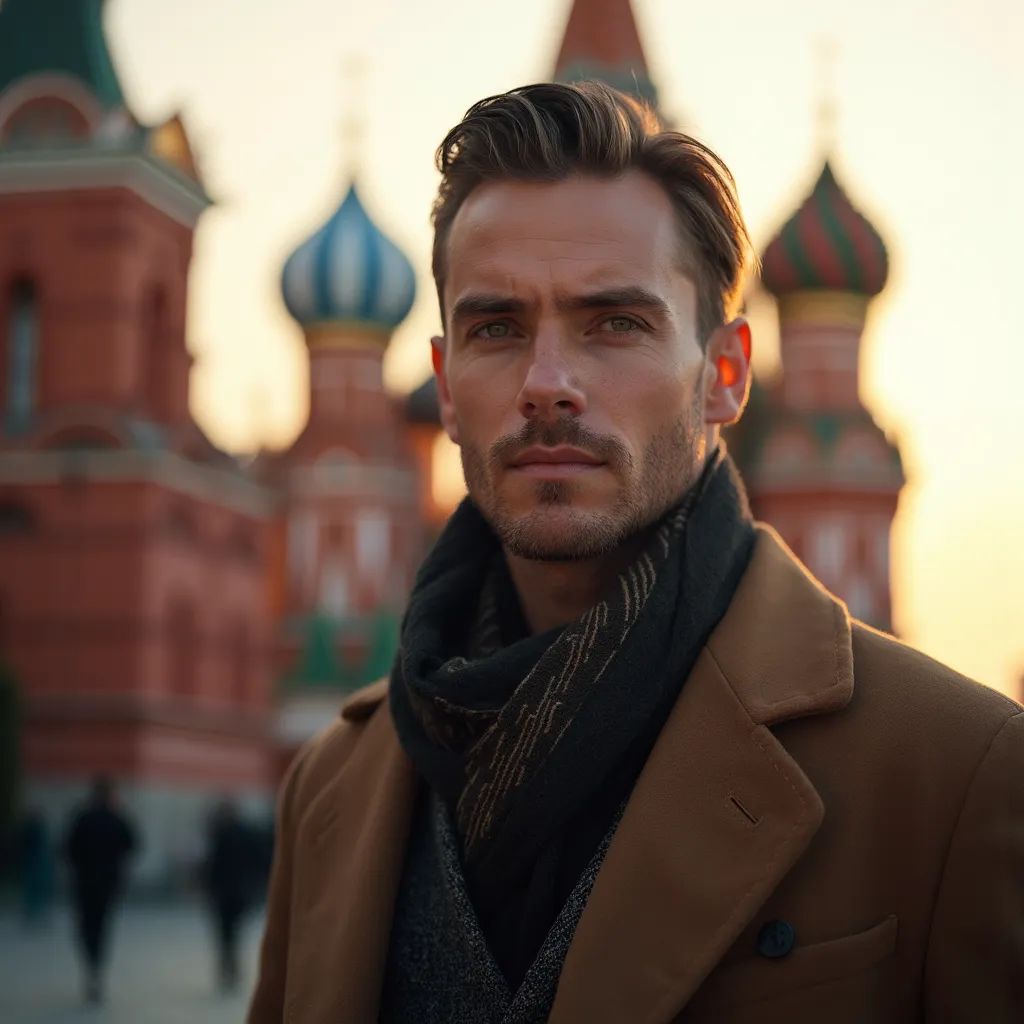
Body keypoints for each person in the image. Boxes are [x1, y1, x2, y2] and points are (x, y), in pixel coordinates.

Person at [248, 83, 1024, 1023]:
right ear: (446, 390)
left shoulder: (953, 769)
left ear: (726, 375)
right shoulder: (333, 785)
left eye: (615, 322)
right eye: (497, 327)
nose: (547, 385)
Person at [64, 776, 138, 1004]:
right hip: (108, 883)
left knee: (86, 926)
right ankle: (97, 967)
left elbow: (68, 848)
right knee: (102, 926)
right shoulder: (117, 818)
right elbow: (132, 844)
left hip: (84, 882)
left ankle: (91, 965)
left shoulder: (82, 817)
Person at [200, 797, 261, 992]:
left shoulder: (220, 832)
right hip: (242, 890)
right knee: (236, 932)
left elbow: (213, 864)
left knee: (225, 933)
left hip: (224, 891)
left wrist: (208, 887)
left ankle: (227, 969)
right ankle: (233, 969)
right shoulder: (247, 832)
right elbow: (256, 860)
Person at [15, 805, 55, 929]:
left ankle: (34, 915)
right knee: (36, 891)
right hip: (35, 864)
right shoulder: (36, 829)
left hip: (34, 864)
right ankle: (35, 915)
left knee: (35, 891)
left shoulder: (32, 829)